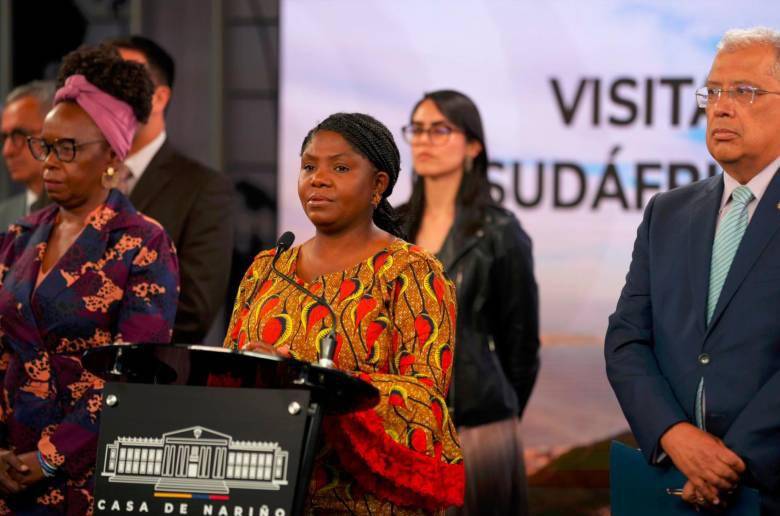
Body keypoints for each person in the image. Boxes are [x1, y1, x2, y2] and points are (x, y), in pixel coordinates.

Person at [224, 113, 464, 514]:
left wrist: (318, 383)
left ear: (378, 185)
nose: (318, 179)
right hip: (266, 492)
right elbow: (227, 372)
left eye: (340, 168)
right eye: (308, 167)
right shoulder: (267, 268)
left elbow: (425, 401)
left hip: (366, 501)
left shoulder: (413, 272)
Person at [605, 27, 780, 514]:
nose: (722, 107)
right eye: (714, 92)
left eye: (744, 91)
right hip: (670, 482)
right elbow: (626, 339)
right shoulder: (667, 212)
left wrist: (724, 466)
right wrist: (673, 434)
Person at [0, 44, 179, 515]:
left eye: (67, 149)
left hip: (87, 480)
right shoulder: (18, 238)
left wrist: (48, 458)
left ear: (111, 157)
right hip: (7, 473)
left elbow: (133, 376)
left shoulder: (143, 243)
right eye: (45, 146)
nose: (49, 162)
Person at [398, 90, 539, 516]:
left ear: (473, 146)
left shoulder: (500, 231)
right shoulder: (389, 225)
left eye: (440, 130)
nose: (424, 140)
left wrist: (495, 412)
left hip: (479, 430)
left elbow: (522, 348)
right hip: (399, 425)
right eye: (418, 129)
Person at [108, 35, 234, 344]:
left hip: (148, 366)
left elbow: (194, 311)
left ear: (159, 98)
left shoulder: (203, 188)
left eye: (122, 82)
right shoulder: (72, 176)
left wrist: (89, 327)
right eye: (100, 83)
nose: (106, 96)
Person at [0, 81, 54, 228]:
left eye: (19, 135)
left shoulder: (89, 214)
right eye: (4, 138)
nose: (7, 151)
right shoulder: (3, 217)